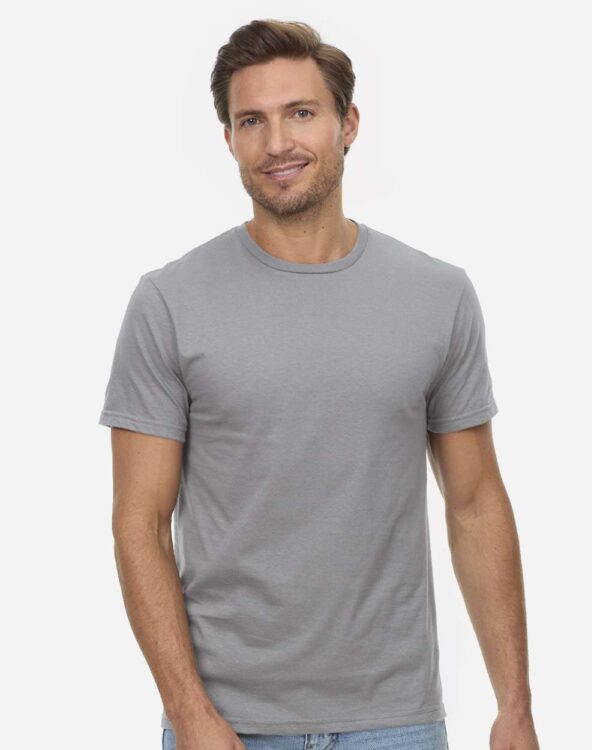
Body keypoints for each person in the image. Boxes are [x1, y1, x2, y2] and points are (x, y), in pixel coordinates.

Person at [99, 19, 540, 750]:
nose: (277, 143)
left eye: (301, 112)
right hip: (229, 724)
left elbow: (474, 505)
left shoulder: (437, 295)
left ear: (348, 123)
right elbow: (139, 523)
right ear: (229, 139)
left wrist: (514, 705)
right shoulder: (169, 302)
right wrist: (190, 713)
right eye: (252, 121)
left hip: (396, 721)